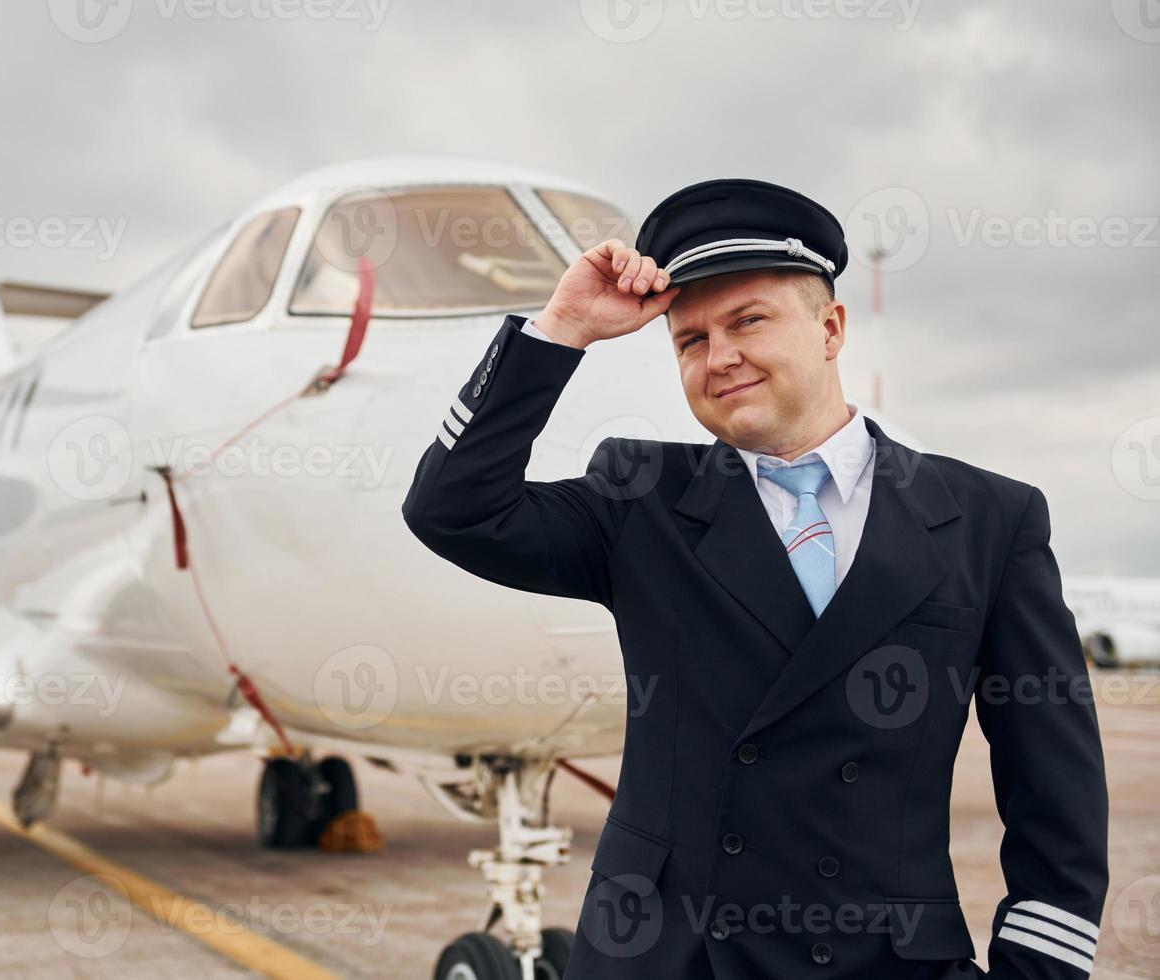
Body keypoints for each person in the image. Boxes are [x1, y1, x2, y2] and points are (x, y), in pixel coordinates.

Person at [402, 178, 1109, 979]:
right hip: (667, 960)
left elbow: (1058, 797)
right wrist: (559, 331)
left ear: (832, 327)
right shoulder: (641, 497)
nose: (721, 357)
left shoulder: (989, 520)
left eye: (749, 321)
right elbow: (451, 509)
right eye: (691, 340)